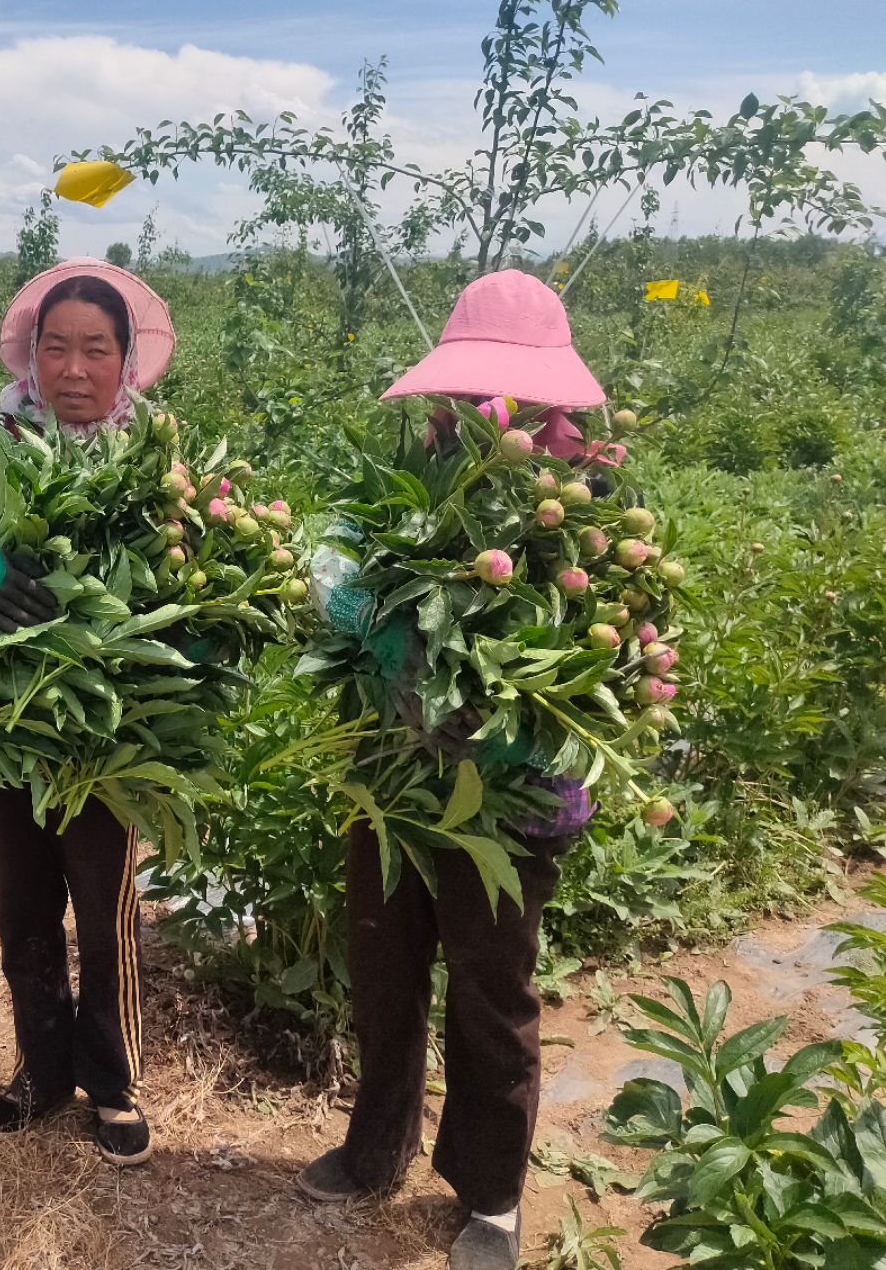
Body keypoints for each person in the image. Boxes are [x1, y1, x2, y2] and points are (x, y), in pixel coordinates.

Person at [296, 270, 609, 1270]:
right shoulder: (419, 478)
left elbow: (613, 648)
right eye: (473, 394)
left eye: (509, 396)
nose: (487, 412)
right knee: (385, 965)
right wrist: (370, 617)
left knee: (490, 985)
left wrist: (508, 705)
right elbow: (329, 552)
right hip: (394, 777)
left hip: (510, 798)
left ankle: (491, 1191)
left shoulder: (588, 500)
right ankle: (374, 1144)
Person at [0, 258, 176, 1166]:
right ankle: (40, 1067)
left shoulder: (152, 448)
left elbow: (187, 557)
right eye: (55, 347)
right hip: (11, 728)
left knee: (103, 911)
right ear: (32, 357)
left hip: (107, 737)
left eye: (95, 349)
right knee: (24, 906)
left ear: (126, 359)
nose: (73, 369)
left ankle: (111, 1080)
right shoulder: (0, 436)